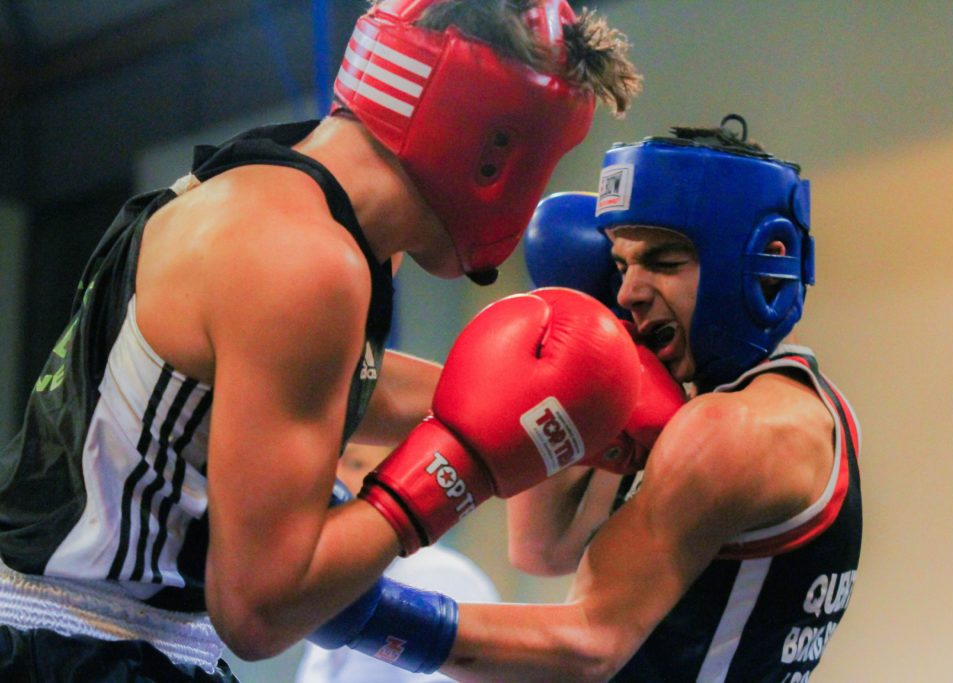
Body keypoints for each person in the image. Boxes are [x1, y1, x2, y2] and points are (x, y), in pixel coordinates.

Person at [0, 1, 643, 681]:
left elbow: (311, 383)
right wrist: (466, 464)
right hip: (82, 644)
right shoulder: (305, 261)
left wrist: (522, 399)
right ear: (496, 151)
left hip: (85, 636)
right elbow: (260, 610)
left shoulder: (271, 191)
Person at [426, 116, 862, 682]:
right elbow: (545, 548)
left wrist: (364, 611)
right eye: (619, 266)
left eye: (663, 261)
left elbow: (585, 646)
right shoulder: (776, 408)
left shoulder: (731, 429)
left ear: (761, 261)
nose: (628, 292)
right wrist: (587, 340)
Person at [295, 443, 499, 683]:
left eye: (355, 464)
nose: (335, 479)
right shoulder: (339, 585)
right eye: (327, 467)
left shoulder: (436, 573)